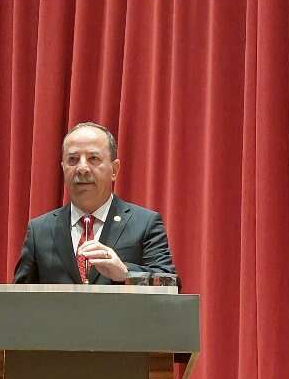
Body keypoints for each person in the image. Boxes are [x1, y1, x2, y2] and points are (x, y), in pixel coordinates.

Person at [13, 121, 178, 285]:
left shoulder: (145, 224)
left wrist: (126, 273)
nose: (82, 168)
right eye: (73, 159)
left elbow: (170, 283)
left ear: (114, 170)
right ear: (63, 168)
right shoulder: (40, 230)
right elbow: (18, 296)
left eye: (93, 158)